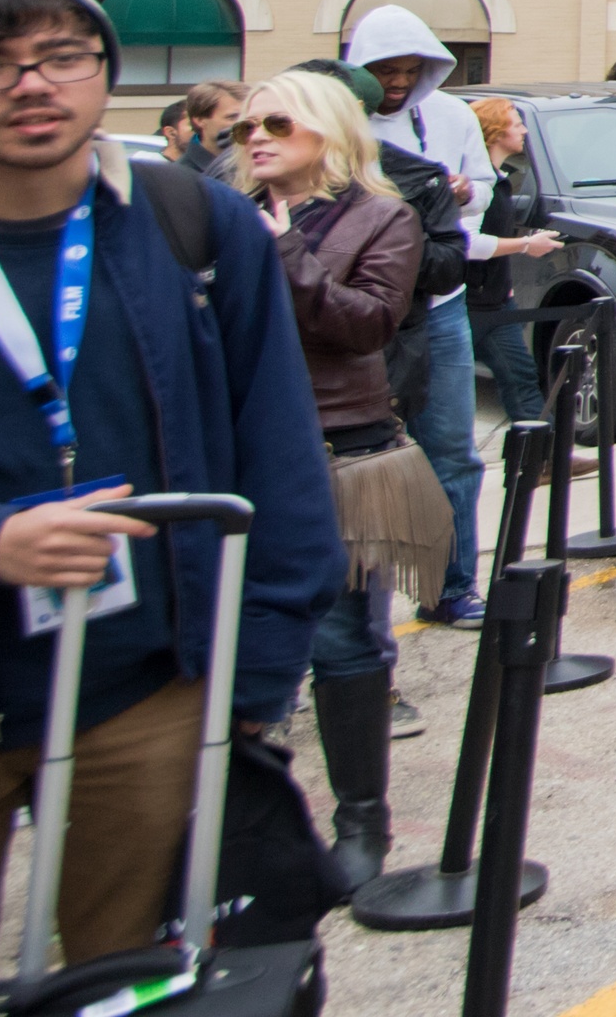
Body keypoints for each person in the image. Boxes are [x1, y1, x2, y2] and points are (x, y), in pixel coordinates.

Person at [0, 0, 343, 985]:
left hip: (145, 690)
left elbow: (276, 459)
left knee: (132, 981)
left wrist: (255, 678)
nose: (32, 86)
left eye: (64, 58)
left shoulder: (193, 227)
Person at [234, 66, 444, 895]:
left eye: (278, 125)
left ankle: (362, 820)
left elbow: (365, 325)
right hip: (239, 452)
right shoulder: (220, 214)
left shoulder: (380, 216)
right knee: (237, 643)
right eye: (248, 126)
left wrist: (282, 246)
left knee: (341, 637)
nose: (256, 139)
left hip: (340, 451)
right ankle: (248, 822)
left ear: (327, 131)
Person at [339, 9, 499, 632]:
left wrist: (461, 192)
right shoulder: (337, 122)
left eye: (412, 69)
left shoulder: (454, 117)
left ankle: (451, 587)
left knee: (453, 453)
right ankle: (357, 625)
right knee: (362, 463)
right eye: (385, 70)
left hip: (437, 305)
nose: (400, 81)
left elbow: (487, 188)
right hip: (362, 314)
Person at [461, 99, 564, 433]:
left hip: (495, 302)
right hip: (468, 305)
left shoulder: (499, 178)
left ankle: (544, 454)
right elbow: (467, 243)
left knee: (520, 376)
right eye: (516, 123)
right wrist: (525, 245)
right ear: (494, 132)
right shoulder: (478, 186)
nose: (523, 130)